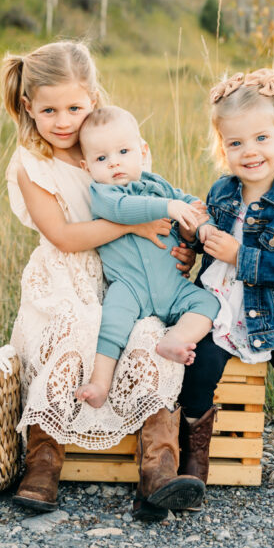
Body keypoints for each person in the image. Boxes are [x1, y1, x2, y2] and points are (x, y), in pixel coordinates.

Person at [2, 41, 203, 520]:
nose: (63, 119)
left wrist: (178, 247)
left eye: (74, 106)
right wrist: (134, 224)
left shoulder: (114, 147)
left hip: (127, 276)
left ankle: (158, 471)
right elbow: (65, 236)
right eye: (49, 109)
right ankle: (43, 465)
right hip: (66, 278)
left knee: (149, 337)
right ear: (29, 107)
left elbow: (159, 209)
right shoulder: (33, 165)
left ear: (92, 97)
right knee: (71, 330)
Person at [178, 61, 274, 503]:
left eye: (262, 138)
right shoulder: (220, 193)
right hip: (220, 311)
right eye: (236, 142)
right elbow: (204, 247)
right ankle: (194, 461)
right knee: (198, 371)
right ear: (222, 147)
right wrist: (192, 243)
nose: (250, 151)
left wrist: (241, 257)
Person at [73, 106, 219, 411]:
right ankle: (100, 384)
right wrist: (168, 207)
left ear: (143, 151)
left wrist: (201, 225)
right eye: (101, 158)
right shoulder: (104, 193)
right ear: (87, 167)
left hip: (173, 285)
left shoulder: (159, 185)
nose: (114, 162)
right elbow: (124, 209)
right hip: (130, 287)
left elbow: (189, 204)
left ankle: (176, 339)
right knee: (112, 322)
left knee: (209, 304)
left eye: (123, 151)